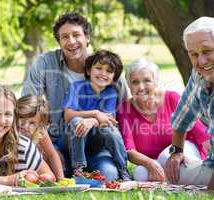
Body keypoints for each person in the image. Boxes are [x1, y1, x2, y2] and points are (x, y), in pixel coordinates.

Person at [22, 12, 129, 179]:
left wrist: (94, 120)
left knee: (109, 175)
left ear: (87, 38)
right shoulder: (45, 63)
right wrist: (48, 151)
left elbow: (122, 116)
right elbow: (28, 110)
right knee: (53, 173)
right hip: (60, 142)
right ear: (59, 42)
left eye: (76, 35)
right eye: (65, 37)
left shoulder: (108, 68)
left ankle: (116, 170)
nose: (71, 41)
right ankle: (74, 168)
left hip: (97, 145)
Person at [164, 16, 214, 191]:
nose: (201, 61)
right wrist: (176, 152)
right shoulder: (201, 72)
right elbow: (183, 114)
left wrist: (211, 193)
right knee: (166, 166)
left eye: (207, 51)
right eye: (194, 54)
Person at [117, 58, 211, 182]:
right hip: (155, 161)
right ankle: (186, 178)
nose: (141, 87)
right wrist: (151, 164)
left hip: (184, 150)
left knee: (167, 156)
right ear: (129, 85)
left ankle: (208, 174)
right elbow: (129, 151)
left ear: (155, 82)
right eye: (135, 82)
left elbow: (201, 133)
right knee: (140, 173)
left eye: (147, 81)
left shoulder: (172, 98)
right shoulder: (124, 109)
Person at [63, 50, 130, 181]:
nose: (103, 73)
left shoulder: (111, 92)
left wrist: (92, 121)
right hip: (73, 142)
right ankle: (78, 169)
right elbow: (68, 115)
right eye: (98, 68)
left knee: (110, 129)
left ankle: (123, 169)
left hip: (97, 145)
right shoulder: (77, 87)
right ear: (88, 71)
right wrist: (95, 114)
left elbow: (109, 119)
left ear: (113, 77)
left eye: (109, 71)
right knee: (77, 121)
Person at [16, 95, 64, 180]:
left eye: (32, 123)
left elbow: (52, 154)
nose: (25, 125)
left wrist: (61, 179)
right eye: (22, 118)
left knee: (56, 156)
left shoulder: (39, 131)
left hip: (32, 163)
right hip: (14, 163)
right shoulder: (10, 129)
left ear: (39, 125)